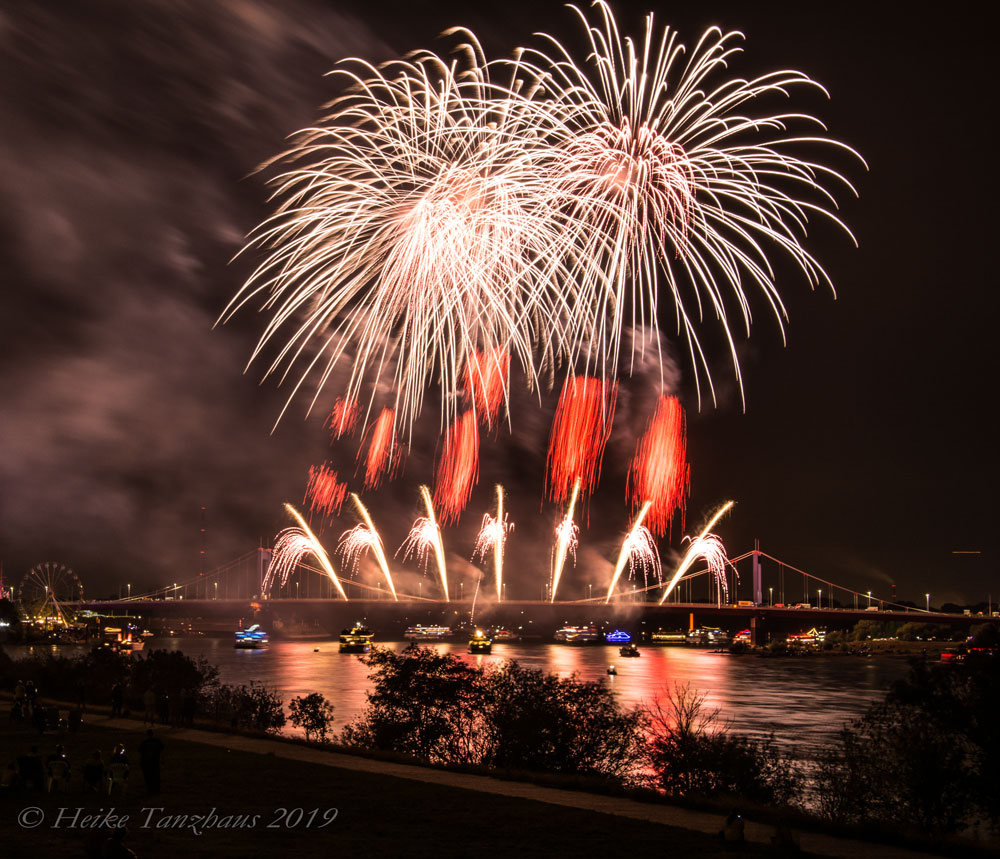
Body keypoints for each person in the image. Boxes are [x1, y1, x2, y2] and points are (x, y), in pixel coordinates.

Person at [138, 729, 164, 795]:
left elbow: (140, 751)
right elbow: (162, 749)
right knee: (156, 776)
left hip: (146, 762)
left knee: (148, 777)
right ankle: (156, 789)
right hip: (155, 761)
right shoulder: (158, 741)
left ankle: (150, 789)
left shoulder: (144, 743)